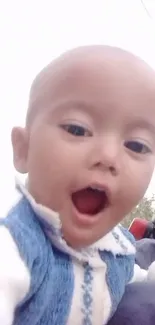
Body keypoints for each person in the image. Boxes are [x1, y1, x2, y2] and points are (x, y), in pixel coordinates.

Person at [1, 45, 155, 325]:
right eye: (77, 129)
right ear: (24, 150)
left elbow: (140, 278)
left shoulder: (117, 250)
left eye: (136, 145)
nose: (109, 157)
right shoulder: (16, 246)